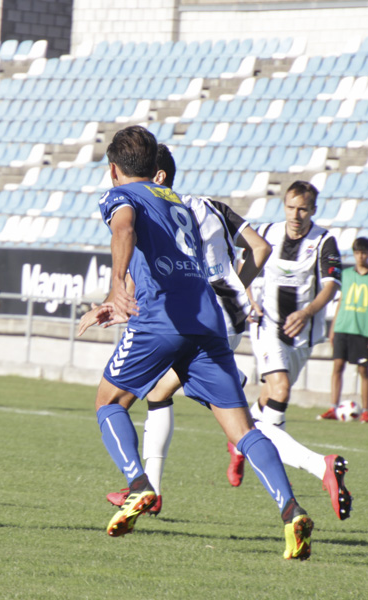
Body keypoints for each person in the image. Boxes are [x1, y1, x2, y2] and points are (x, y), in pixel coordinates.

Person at [82, 125, 313, 559]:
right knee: (242, 429)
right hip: (209, 316)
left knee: (108, 402)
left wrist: (116, 288)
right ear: (157, 169)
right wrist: (118, 296)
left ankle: (138, 485)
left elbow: (125, 231)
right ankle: (291, 511)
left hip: (164, 317)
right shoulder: (177, 201)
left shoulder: (119, 197)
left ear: (113, 170)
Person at [99, 143, 270, 516]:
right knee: (160, 393)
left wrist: (120, 294)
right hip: (220, 311)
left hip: (187, 312)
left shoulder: (159, 205)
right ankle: (149, 489)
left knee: (235, 422)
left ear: (156, 176)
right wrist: (238, 289)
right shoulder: (207, 206)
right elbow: (259, 248)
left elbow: (150, 260)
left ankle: (145, 488)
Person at [224, 181, 349, 520]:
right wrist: (249, 299)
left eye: (303, 209)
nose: (296, 215)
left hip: (302, 334)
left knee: (270, 405)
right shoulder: (266, 231)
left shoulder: (324, 241)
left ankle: (241, 442)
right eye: (291, 207)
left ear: (313, 210)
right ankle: (300, 467)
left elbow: (332, 285)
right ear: (284, 205)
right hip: (266, 326)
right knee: (279, 389)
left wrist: (307, 312)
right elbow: (241, 266)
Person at [320, 236, 368, 423]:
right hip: (343, 327)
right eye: (357, 253)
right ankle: (333, 408)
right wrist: (333, 327)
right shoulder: (346, 274)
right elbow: (341, 300)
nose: (360, 256)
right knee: (337, 366)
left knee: (363, 371)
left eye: (363, 253)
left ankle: (365, 411)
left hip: (363, 330)